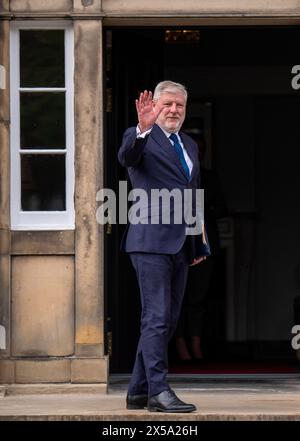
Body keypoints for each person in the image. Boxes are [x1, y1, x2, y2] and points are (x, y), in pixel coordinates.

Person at [118, 81, 208, 413]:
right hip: (150, 240)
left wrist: (197, 240)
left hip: (181, 243)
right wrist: (142, 128)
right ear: (154, 106)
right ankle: (159, 390)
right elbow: (126, 156)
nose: (173, 110)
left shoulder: (189, 144)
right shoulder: (138, 136)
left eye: (179, 106)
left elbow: (193, 192)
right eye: (167, 104)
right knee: (155, 318)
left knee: (167, 320)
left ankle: (138, 391)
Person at [175, 133, 227, 362]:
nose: (199, 154)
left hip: (205, 241)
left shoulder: (208, 177)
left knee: (198, 297)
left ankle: (196, 348)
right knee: (177, 296)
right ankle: (180, 348)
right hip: (177, 241)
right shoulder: (174, 174)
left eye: (202, 150)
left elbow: (221, 207)